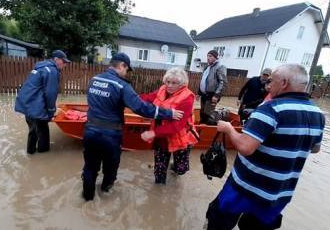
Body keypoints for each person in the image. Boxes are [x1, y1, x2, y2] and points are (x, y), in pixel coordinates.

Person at [205, 64, 325, 230]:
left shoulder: (270, 108)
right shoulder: (317, 113)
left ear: (283, 83)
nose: (267, 86)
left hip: (246, 186)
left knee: (219, 219)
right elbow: (315, 148)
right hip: (279, 191)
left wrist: (228, 129)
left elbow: (245, 147)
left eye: (271, 81)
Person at [82, 53, 184, 201]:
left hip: (90, 131)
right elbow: (141, 108)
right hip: (110, 135)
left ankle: (87, 199)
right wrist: (169, 113)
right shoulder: (121, 85)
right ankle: (105, 194)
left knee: (90, 168)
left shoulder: (93, 80)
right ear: (122, 65)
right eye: (126, 69)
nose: (126, 73)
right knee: (110, 168)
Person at [140, 67, 199, 184]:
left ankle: (174, 167)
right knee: (159, 173)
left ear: (182, 84)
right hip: (162, 139)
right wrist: (128, 98)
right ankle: (159, 191)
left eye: (174, 83)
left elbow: (177, 126)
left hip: (180, 139)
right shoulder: (162, 89)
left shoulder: (187, 98)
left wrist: (153, 133)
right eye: (168, 82)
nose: (170, 85)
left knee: (181, 169)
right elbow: (147, 98)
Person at [15, 50, 71, 154]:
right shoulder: (52, 71)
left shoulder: (41, 67)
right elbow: (50, 93)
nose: (65, 64)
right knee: (43, 132)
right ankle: (43, 156)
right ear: (56, 59)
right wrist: (51, 111)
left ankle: (30, 153)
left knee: (33, 130)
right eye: (63, 61)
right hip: (35, 106)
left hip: (26, 104)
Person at [197, 50, 227, 124]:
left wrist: (216, 95)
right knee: (202, 112)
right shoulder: (207, 67)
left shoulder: (220, 67)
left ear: (216, 57)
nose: (208, 58)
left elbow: (223, 82)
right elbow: (203, 80)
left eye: (210, 56)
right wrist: (199, 93)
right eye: (207, 56)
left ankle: (210, 130)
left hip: (212, 95)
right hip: (204, 94)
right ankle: (201, 129)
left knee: (208, 114)